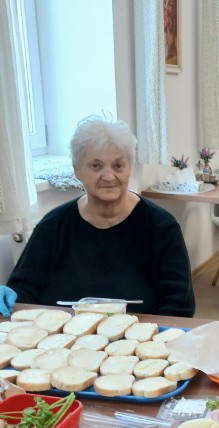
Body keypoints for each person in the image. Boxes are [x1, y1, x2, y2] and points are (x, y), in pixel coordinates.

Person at [0, 115, 195, 318]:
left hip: (140, 341)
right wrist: (11, 295)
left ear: (130, 169)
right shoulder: (53, 226)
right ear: (77, 170)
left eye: (119, 165)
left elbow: (179, 305)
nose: (109, 176)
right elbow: (23, 290)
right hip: (64, 339)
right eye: (96, 166)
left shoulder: (162, 227)